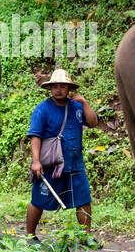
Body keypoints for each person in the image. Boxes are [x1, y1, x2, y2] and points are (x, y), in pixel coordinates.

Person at [26, 69, 98, 238]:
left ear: (69, 88)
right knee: (39, 199)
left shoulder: (77, 107)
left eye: (63, 86)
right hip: (51, 164)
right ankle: (30, 235)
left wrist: (85, 103)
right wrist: (36, 161)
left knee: (83, 200)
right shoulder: (42, 110)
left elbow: (93, 122)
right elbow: (35, 137)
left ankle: (86, 237)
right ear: (50, 88)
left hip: (75, 162)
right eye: (55, 86)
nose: (58, 90)